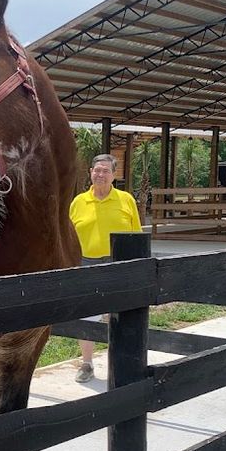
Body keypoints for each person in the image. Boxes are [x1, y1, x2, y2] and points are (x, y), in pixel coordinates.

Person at [69, 153, 142, 383]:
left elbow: (136, 235)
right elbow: (69, 235)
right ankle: (87, 363)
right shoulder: (78, 202)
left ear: (114, 175)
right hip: (86, 263)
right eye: (96, 170)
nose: (100, 174)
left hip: (116, 263)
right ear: (90, 172)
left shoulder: (126, 200)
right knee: (87, 316)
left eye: (105, 171)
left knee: (118, 315)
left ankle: (118, 363)